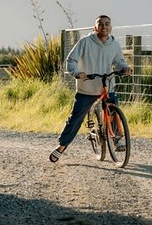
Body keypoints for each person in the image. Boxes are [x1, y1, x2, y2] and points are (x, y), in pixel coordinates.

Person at [49, 14, 132, 163]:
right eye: (100, 24)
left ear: (111, 27)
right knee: (75, 118)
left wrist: (124, 68)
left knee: (114, 112)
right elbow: (71, 59)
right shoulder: (85, 42)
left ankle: (117, 140)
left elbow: (119, 61)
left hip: (107, 85)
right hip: (87, 87)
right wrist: (77, 73)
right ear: (95, 27)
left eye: (107, 24)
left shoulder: (114, 44)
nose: (104, 26)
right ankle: (61, 146)